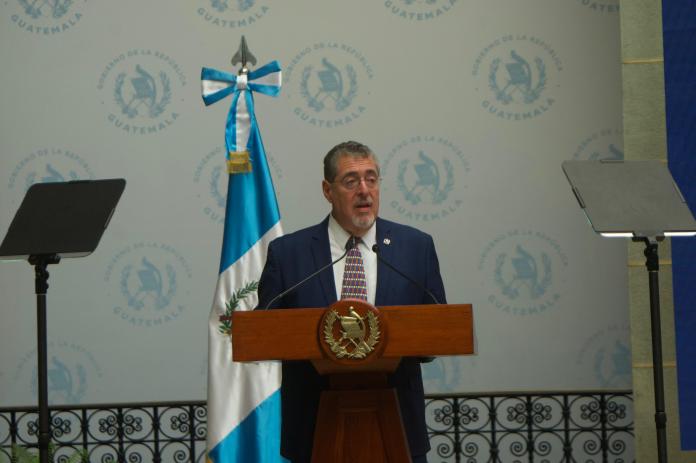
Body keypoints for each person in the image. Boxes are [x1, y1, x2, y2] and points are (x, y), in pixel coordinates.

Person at [257, 140, 446, 463]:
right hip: (313, 429)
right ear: (327, 191)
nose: (364, 190)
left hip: (398, 426)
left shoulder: (415, 247)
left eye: (371, 179)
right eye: (351, 181)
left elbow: (438, 328)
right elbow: (264, 334)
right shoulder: (289, 254)